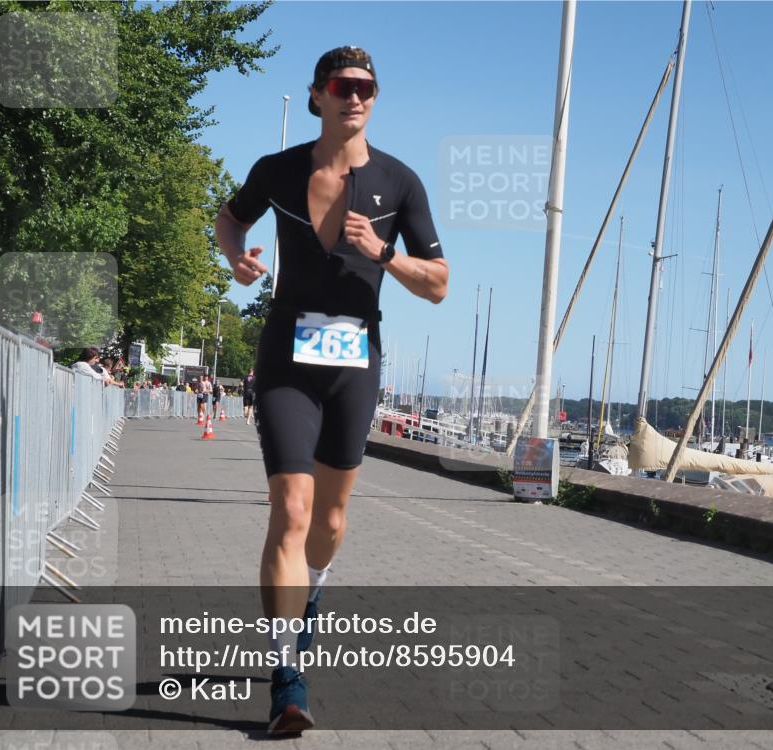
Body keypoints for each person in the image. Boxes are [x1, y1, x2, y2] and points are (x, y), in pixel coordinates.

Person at [215, 45, 448, 733]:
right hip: (286, 352)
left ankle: (312, 594)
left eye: (368, 87)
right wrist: (236, 258)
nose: (357, 96)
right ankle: (288, 677)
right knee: (289, 510)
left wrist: (384, 254)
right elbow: (230, 218)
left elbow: (438, 285)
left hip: (355, 358)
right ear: (317, 95)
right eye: (344, 85)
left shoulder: (399, 183)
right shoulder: (279, 170)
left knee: (331, 521)